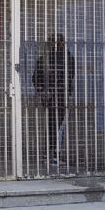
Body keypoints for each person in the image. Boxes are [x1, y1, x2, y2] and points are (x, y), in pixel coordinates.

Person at [32, 33, 75, 166]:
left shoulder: (44, 58)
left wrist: (43, 91)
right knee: (57, 126)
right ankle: (54, 156)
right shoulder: (67, 58)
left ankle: (48, 155)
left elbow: (35, 78)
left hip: (49, 97)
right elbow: (69, 77)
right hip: (60, 96)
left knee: (52, 125)